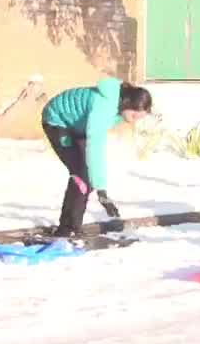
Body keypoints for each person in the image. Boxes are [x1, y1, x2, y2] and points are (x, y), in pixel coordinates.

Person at [41, 77, 153, 237]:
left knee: (87, 176)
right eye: (134, 116)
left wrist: (99, 187)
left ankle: (73, 226)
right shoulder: (104, 107)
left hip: (78, 126)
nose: (134, 121)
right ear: (128, 104)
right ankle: (67, 229)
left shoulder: (118, 105)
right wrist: (102, 191)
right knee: (81, 176)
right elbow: (95, 147)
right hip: (57, 121)